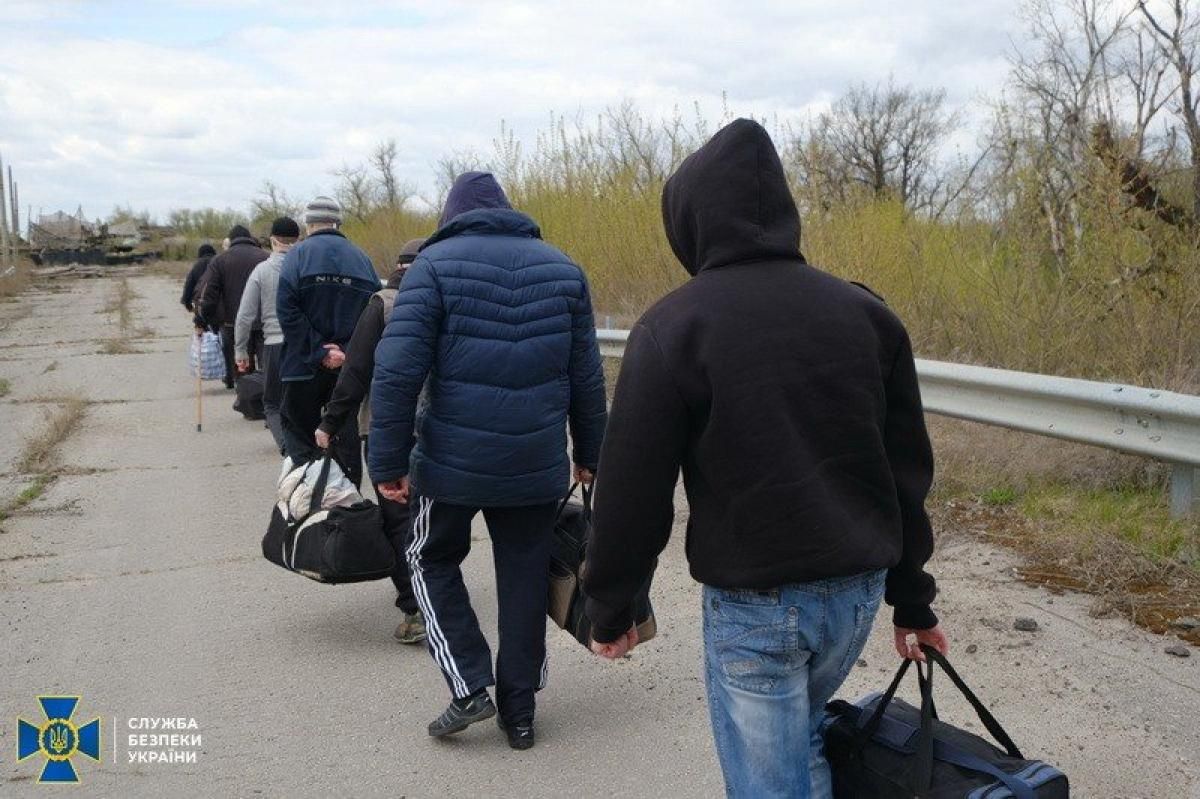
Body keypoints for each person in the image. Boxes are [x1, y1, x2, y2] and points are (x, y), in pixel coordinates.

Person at [580, 119, 948, 798]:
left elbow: (634, 488)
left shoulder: (675, 327)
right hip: (856, 591)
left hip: (758, 605)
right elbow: (905, 473)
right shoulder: (867, 315)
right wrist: (912, 600)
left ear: (688, 223)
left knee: (766, 782)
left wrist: (611, 604)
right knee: (801, 738)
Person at [369, 172, 607, 750]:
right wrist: (591, 453)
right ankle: (519, 713)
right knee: (526, 575)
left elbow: (397, 372)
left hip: (450, 460)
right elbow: (587, 375)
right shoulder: (563, 268)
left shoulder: (432, 266)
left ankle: (470, 682)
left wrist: (386, 461)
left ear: (452, 216)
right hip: (535, 460)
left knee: (428, 557)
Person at [315, 238, 427, 645]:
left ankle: (415, 609)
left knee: (398, 518)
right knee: (433, 517)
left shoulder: (382, 304)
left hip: (386, 430)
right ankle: (438, 593)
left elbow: (355, 371)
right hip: (439, 431)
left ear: (396, 267)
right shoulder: (449, 300)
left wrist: (329, 423)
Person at [275, 196, 380, 485]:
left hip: (301, 366)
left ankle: (306, 503)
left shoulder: (296, 256)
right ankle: (347, 509)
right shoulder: (362, 259)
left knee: (299, 434)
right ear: (338, 222)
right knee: (345, 436)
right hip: (347, 369)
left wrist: (318, 350)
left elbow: (286, 310)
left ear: (308, 224)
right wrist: (346, 352)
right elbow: (372, 313)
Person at [234, 217, 299, 454]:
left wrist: (240, 351)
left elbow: (245, 315)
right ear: (298, 240)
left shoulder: (262, 271)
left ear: (272, 240)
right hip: (304, 344)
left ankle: (288, 449)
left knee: (272, 403)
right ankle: (306, 446)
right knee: (303, 401)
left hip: (274, 344)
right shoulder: (305, 267)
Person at [197, 225, 268, 391]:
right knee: (267, 365)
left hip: (232, 323)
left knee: (242, 366)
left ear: (231, 240)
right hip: (264, 322)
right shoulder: (266, 257)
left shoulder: (220, 261)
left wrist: (203, 319)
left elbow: (207, 294)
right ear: (250, 238)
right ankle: (269, 401)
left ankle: (248, 402)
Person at [181, 243, 216, 313]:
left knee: (200, 321)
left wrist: (187, 304)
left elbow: (189, 284)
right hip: (218, 303)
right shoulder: (218, 261)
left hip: (201, 303)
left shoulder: (197, 265)